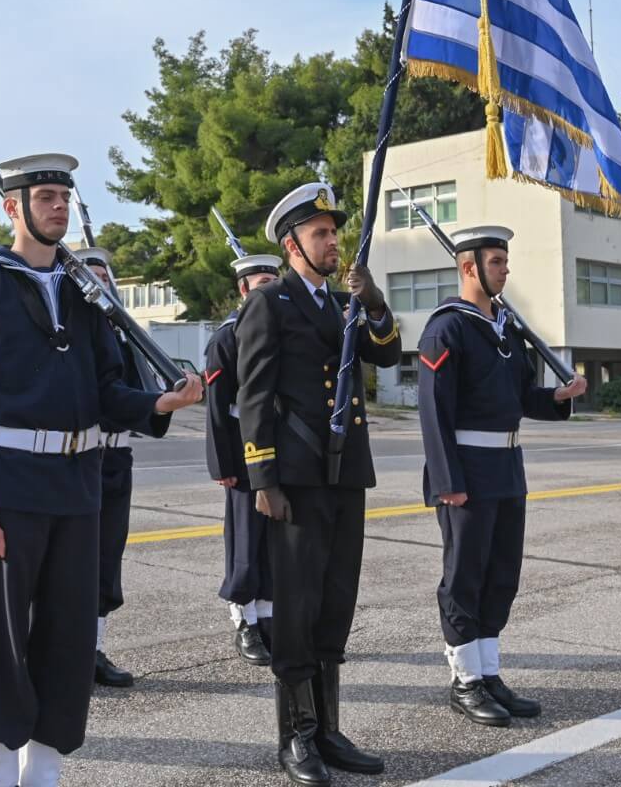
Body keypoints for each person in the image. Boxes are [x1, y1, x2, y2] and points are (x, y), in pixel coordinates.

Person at [0, 154, 202, 787]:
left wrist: (157, 403)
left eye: (63, 196)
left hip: (80, 483)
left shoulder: (87, 293)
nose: (58, 206)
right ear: (13, 208)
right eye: (46, 196)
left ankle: (45, 766)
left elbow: (109, 388)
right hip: (7, 483)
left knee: (68, 632)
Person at [237, 182, 402, 785]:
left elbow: (386, 355)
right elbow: (252, 394)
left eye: (334, 232)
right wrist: (263, 476)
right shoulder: (271, 303)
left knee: (336, 603)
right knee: (300, 607)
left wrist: (376, 301)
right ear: (292, 245)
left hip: (344, 473)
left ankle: (329, 729)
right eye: (320, 234)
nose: (333, 242)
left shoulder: (343, 304)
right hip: (299, 477)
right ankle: (297, 735)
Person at [416, 226, 586, 726]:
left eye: (505, 262)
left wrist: (557, 398)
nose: (505, 270)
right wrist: (447, 480)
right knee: (464, 578)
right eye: (496, 262)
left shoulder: (504, 328)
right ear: (469, 267)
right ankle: (464, 679)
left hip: (508, 470)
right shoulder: (447, 328)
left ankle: (488, 672)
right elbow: (433, 410)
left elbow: (520, 396)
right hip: (466, 473)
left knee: (501, 576)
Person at [69, 246, 172, 687]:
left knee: (107, 558)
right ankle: (65, 651)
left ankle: (93, 650)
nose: (99, 284)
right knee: (72, 560)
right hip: (82, 455)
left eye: (104, 277)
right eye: (89, 277)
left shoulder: (125, 337)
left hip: (118, 455)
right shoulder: (73, 337)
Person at [204, 253, 284, 665]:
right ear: (243, 289)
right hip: (240, 445)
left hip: (281, 445)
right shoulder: (227, 338)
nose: (267, 287)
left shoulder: (285, 329)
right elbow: (217, 408)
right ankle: (243, 619)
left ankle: (268, 616)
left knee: (274, 538)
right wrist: (222, 464)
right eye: (260, 282)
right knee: (246, 539)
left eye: (273, 280)